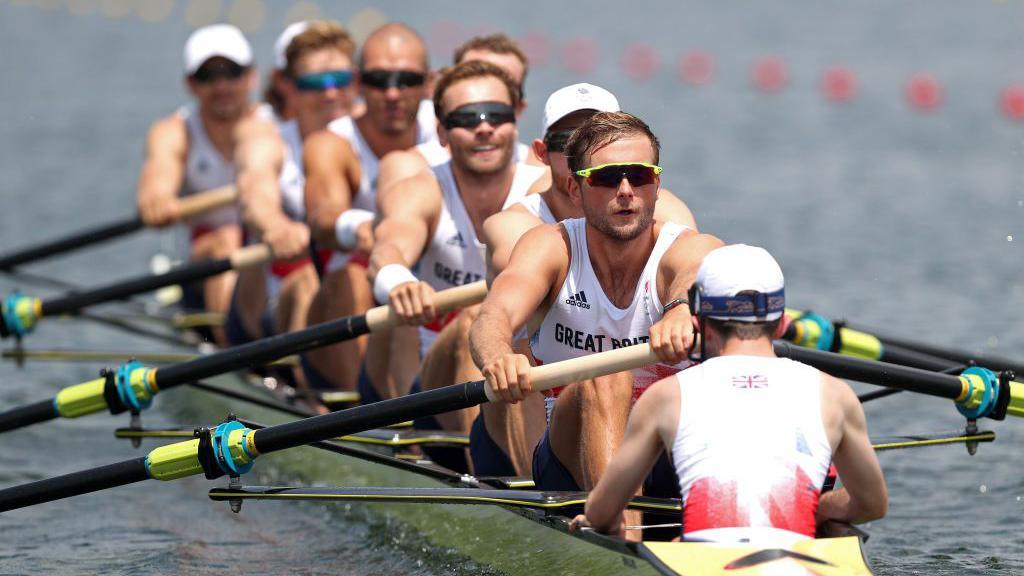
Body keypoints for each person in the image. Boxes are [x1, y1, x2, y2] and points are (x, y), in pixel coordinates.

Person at [470, 111, 722, 500]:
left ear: (656, 185)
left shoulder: (690, 246)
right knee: (607, 377)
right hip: (567, 461)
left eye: (638, 176)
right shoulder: (550, 247)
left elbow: (694, 271)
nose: (625, 190)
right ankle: (622, 534)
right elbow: (494, 315)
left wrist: (677, 310)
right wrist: (498, 358)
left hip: (670, 456)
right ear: (575, 189)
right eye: (606, 178)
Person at [571, 244, 888, 544]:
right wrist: (823, 509)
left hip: (701, 559)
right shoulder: (834, 394)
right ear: (780, 325)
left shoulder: (666, 396)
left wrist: (603, 523)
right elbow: (872, 504)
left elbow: (601, 511)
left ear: (701, 323)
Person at [366, 61, 545, 470]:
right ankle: (481, 472)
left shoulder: (545, 188)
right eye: (466, 119)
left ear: (516, 118)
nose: (484, 127)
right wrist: (398, 284)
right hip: (432, 388)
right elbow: (387, 249)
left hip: (516, 375)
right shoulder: (423, 189)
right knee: (471, 320)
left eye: (495, 115)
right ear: (443, 132)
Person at [300, 22, 436, 392]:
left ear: (429, 84)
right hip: (344, 301)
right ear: (358, 83)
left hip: (422, 288)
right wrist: (360, 227)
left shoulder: (450, 132)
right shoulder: (331, 143)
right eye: (379, 80)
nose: (392, 93)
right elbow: (324, 217)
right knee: (354, 277)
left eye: (406, 80)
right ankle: (365, 409)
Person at [227, 21, 357, 390]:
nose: (331, 93)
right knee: (305, 279)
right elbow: (255, 194)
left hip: (343, 295)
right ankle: (317, 397)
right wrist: (275, 226)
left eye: (341, 80)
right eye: (315, 83)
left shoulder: (374, 134)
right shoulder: (267, 140)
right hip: (273, 295)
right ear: (287, 87)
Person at [135, 24, 262, 346]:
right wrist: (157, 199)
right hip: (208, 257)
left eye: (231, 72)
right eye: (208, 76)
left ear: (252, 77)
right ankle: (235, 352)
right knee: (227, 239)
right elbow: (158, 181)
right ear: (190, 85)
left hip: (269, 250)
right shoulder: (175, 131)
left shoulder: (273, 126)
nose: (221, 85)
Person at [377, 33, 539, 195]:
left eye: (504, 85)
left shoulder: (541, 173)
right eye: (471, 75)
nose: (485, 92)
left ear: (518, 108)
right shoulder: (412, 168)